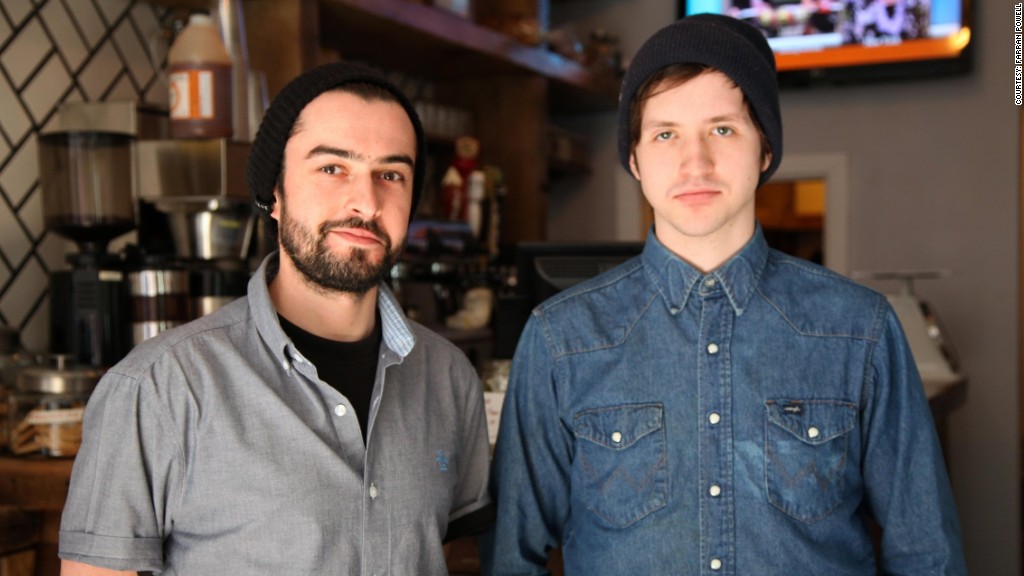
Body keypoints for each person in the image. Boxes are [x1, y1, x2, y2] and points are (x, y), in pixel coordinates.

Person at [483, 13, 966, 575]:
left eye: (722, 129)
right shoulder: (561, 338)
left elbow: (927, 556)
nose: (696, 163)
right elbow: (510, 559)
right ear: (635, 159)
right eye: (666, 134)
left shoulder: (861, 329)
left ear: (765, 149)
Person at [59, 62, 494, 575]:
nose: (367, 201)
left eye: (391, 175)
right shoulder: (158, 387)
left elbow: (455, 555)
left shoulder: (448, 377)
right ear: (274, 192)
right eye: (333, 168)